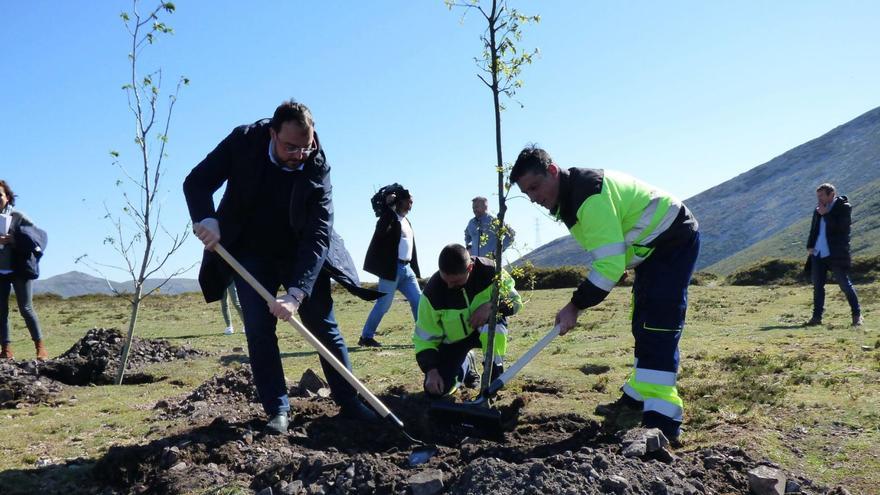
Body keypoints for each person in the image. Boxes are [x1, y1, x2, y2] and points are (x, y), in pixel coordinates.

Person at [183, 99, 379, 435]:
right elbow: (196, 182)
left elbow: (319, 233)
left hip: (298, 250)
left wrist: (297, 292)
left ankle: (350, 401)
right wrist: (208, 218)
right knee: (259, 329)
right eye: (291, 146)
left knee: (322, 323)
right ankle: (277, 408)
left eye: (306, 146)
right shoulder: (243, 141)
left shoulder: (316, 164)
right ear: (272, 134)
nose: (299, 154)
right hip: (249, 250)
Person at [509, 145, 699, 443]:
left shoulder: (587, 197)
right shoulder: (570, 198)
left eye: (535, 187)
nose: (534, 198)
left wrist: (575, 305)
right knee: (643, 320)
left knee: (658, 324)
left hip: (672, 240)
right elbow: (610, 254)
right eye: (527, 193)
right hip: (649, 249)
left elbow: (608, 266)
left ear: (553, 172)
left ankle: (662, 423)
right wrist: (613, 266)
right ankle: (638, 394)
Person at [413, 244, 522, 397]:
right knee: (438, 391)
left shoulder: (491, 271)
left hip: (485, 330)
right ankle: (466, 364)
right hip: (454, 342)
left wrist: (491, 307)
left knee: (495, 323)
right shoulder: (432, 293)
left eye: (456, 282)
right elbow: (424, 338)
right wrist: (431, 370)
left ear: (470, 268)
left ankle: (494, 372)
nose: (450, 286)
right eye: (446, 280)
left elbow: (515, 302)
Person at [360, 185, 421, 347]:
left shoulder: (407, 220)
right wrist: (388, 208)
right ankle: (366, 337)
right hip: (391, 269)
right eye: (409, 202)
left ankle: (423, 336)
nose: (411, 205)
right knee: (384, 304)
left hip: (407, 270)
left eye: (412, 202)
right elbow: (381, 231)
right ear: (400, 202)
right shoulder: (389, 218)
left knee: (419, 302)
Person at [0, 180, 48, 361]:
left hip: (20, 269)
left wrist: (12, 239)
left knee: (26, 308)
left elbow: (36, 238)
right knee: (1, 311)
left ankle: (40, 348)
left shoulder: (18, 216)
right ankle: (6, 350)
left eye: (0, 195)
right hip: (0, 271)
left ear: (8, 197)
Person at [805, 183, 862, 327]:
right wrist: (810, 246)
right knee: (818, 286)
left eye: (822, 195)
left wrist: (826, 214)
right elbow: (813, 229)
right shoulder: (818, 210)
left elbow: (841, 228)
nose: (819, 198)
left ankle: (857, 316)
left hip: (836, 253)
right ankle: (816, 317)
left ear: (832, 194)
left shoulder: (844, 207)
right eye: (818, 196)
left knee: (844, 285)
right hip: (818, 253)